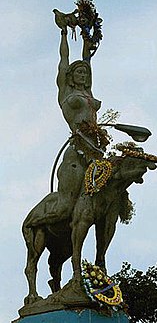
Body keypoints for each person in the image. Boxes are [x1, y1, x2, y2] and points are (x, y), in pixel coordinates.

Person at [28, 14, 109, 227]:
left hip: (96, 149)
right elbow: (64, 61)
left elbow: (87, 59)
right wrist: (64, 33)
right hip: (77, 148)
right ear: (71, 77)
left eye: (85, 73)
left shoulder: (88, 92)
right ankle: (36, 223)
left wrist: (86, 40)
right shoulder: (66, 93)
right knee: (66, 205)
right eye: (78, 72)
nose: (82, 75)